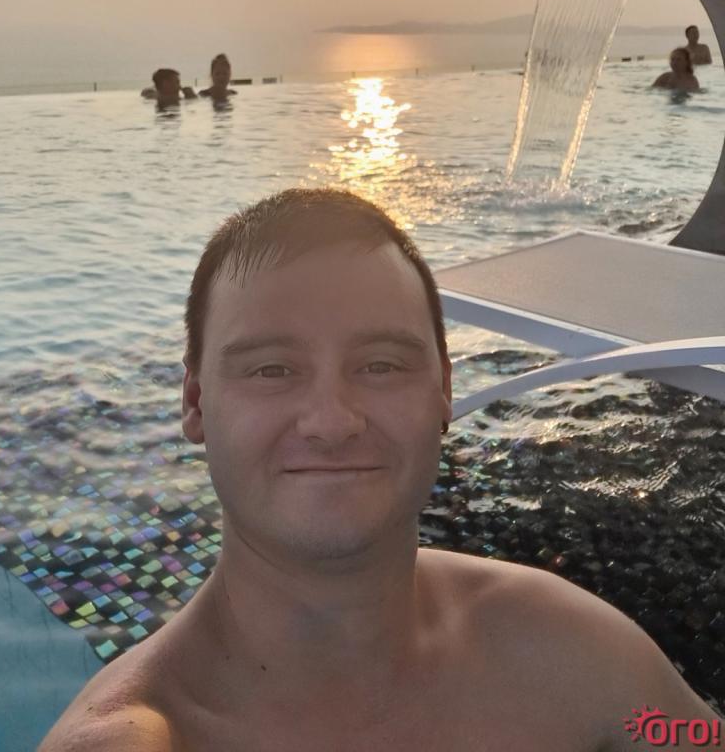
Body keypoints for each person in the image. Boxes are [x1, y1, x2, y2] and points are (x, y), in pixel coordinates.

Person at [39, 189, 719, 751]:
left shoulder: (570, 650)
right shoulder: (139, 736)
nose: (332, 420)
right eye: (272, 370)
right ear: (195, 403)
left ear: (443, 390)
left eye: (381, 365)